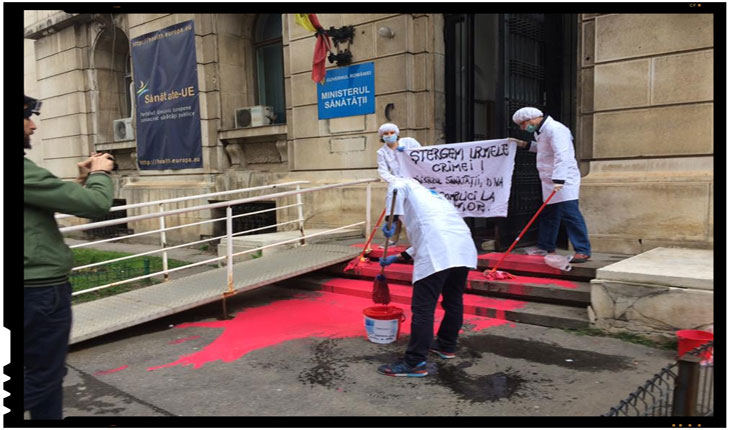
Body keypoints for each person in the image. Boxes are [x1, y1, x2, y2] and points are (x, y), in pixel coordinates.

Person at [24, 94, 115, 419]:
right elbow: (95, 205)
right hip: (37, 290)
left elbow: (40, 199)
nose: (32, 126)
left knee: (42, 375)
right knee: (44, 377)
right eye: (25, 118)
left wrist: (79, 182)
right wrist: (101, 173)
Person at [376, 178, 477, 377]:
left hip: (437, 251)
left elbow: (396, 190)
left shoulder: (400, 183)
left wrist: (391, 221)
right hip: (463, 248)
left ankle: (415, 362)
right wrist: (397, 256)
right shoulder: (434, 196)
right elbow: (434, 231)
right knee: (453, 301)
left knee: (423, 308)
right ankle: (447, 346)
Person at [509, 107, 591, 263]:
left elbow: (563, 154)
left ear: (531, 119)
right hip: (549, 180)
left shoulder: (556, 129)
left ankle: (582, 250)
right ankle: (546, 246)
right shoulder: (540, 131)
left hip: (563, 180)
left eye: (522, 124)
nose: (522, 127)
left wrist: (559, 179)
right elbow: (543, 150)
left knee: (570, 214)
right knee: (549, 215)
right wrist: (524, 144)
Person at [376, 123, 422, 246]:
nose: (389, 135)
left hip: (413, 179)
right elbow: (383, 170)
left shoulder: (409, 142)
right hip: (396, 181)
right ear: (382, 136)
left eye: (392, 132)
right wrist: (394, 180)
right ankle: (392, 231)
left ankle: (417, 240)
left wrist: (408, 152)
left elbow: (422, 156)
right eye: (386, 134)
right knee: (394, 198)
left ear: (396, 133)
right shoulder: (381, 152)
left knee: (414, 208)